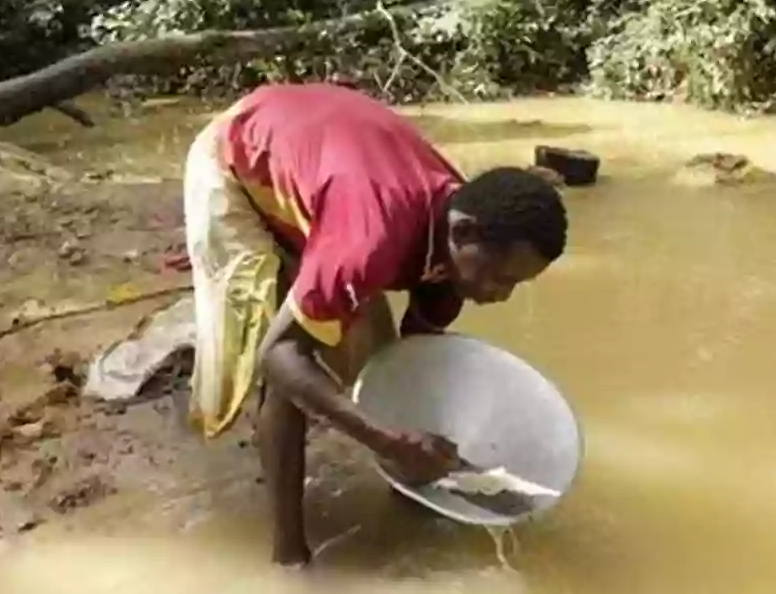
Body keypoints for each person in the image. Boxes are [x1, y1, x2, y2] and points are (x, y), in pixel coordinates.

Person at [183, 82, 568, 566]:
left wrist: (431, 456)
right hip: (237, 158)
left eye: (515, 284)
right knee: (282, 363)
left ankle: (409, 501)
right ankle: (288, 555)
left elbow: (415, 359)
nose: (499, 294)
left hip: (326, 168)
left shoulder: (460, 233)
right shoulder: (370, 240)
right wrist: (383, 438)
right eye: (498, 277)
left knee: (371, 352)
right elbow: (281, 358)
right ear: (463, 234)